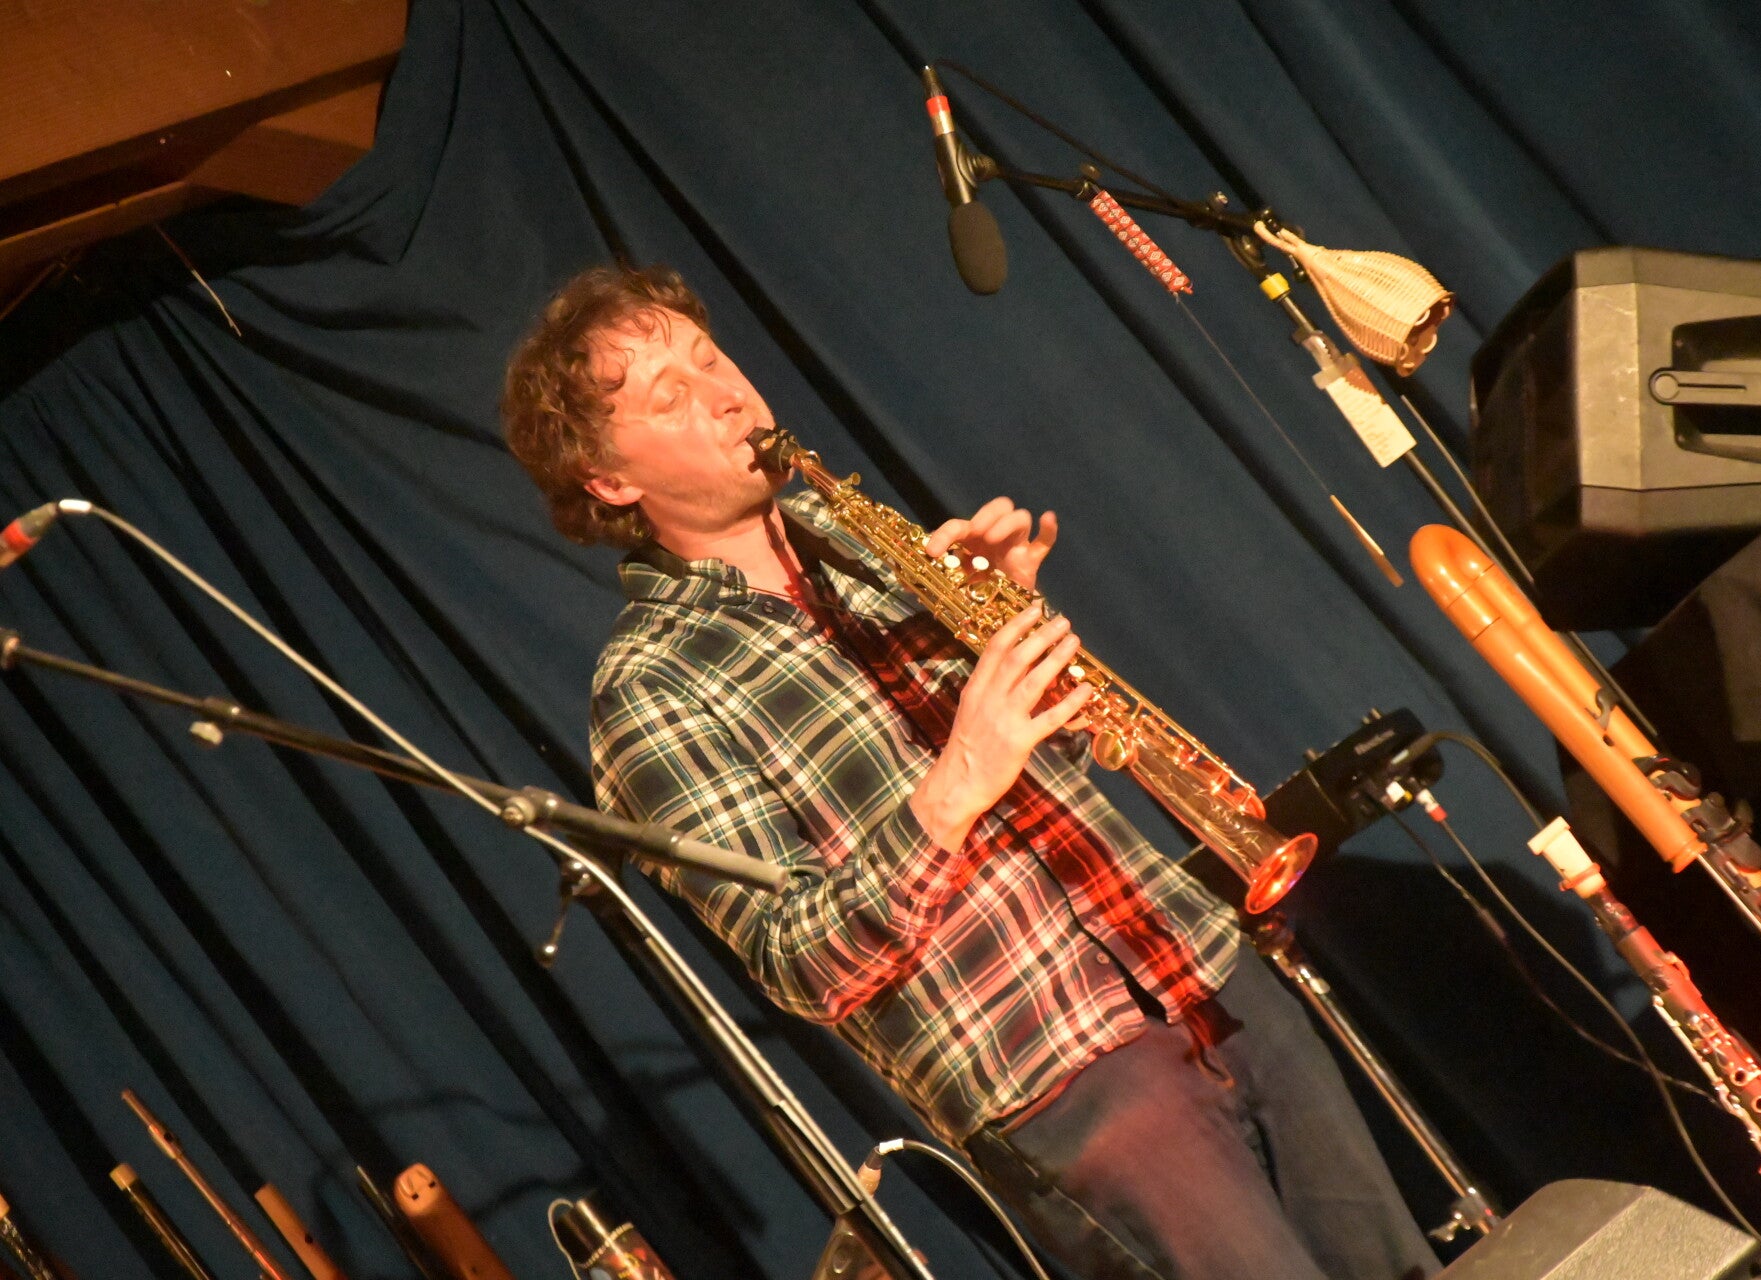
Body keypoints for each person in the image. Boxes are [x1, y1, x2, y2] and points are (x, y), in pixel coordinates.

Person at [503, 262, 1440, 1280]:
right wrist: (952, 787)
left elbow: (1061, 754)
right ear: (608, 480)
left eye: (711, 358)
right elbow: (797, 964)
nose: (726, 394)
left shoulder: (860, 537)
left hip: (1202, 960)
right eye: (669, 395)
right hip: (1070, 1081)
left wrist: (1014, 630)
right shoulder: (649, 690)